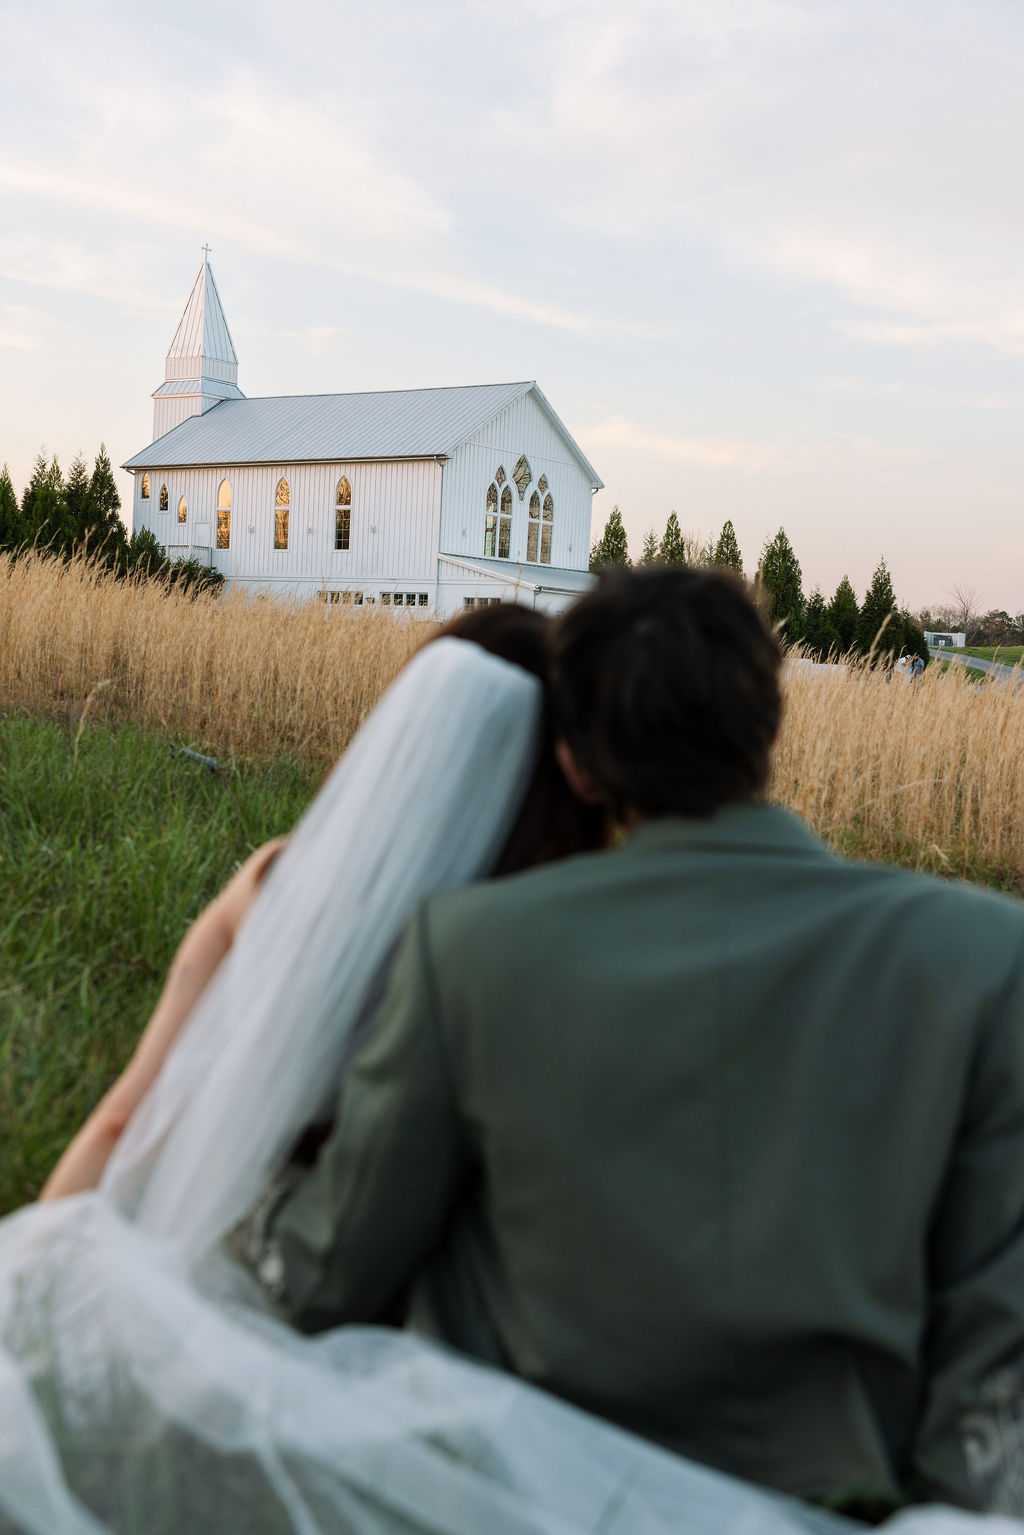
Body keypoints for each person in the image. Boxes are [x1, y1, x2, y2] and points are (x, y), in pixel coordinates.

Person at [262, 565, 1024, 1523]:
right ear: (770, 732)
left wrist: (260, 1185)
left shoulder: (468, 950)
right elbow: (1003, 1328)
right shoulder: (989, 955)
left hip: (510, 1503)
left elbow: (324, 1277)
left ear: (578, 761)